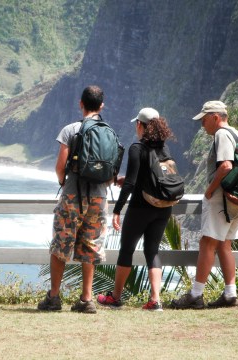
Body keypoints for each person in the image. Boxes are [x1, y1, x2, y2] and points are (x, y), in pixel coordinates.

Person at [37, 85, 110, 314]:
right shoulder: (107, 130)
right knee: (91, 244)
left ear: (81, 103)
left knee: (61, 244)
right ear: (101, 106)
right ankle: (87, 299)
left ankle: (54, 297)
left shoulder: (70, 130)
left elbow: (60, 166)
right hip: (98, 197)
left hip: (72, 194)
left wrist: (63, 183)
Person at [97, 107, 175, 311]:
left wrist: (116, 210)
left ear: (140, 125)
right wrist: (130, 180)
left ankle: (115, 297)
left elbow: (131, 184)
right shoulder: (164, 149)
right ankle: (155, 300)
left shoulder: (137, 148)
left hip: (140, 208)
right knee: (152, 251)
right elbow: (152, 176)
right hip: (163, 207)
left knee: (127, 249)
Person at [171, 100, 238, 309]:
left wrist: (210, 190)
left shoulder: (222, 134)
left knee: (207, 243)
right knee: (225, 244)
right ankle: (230, 294)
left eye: (204, 120)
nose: (202, 125)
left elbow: (226, 166)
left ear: (215, 117)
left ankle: (196, 295)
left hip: (222, 198)